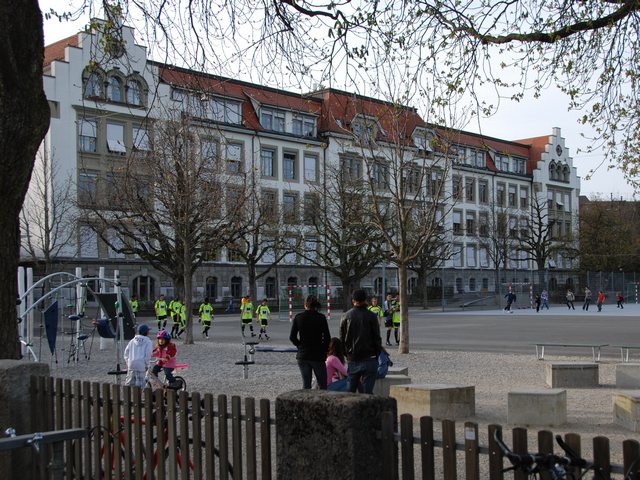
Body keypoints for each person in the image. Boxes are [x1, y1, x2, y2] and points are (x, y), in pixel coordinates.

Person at [340, 289, 382, 394]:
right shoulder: (372, 316)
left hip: (353, 357)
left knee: (350, 392)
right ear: (365, 300)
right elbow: (377, 338)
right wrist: (376, 354)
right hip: (370, 357)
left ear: (353, 300)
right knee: (367, 393)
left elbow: (342, 339)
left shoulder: (346, 316)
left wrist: (347, 354)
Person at [289, 294, 331, 389]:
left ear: (305, 304)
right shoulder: (321, 317)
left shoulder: (298, 317)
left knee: (306, 385)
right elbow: (327, 338)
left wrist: (300, 346)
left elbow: (292, 337)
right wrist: (324, 350)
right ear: (316, 305)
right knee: (322, 384)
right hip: (317, 355)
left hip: (303, 354)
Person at [123, 324, 153, 388]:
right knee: (141, 385)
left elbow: (126, 353)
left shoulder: (132, 341)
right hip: (141, 365)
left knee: (129, 384)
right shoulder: (148, 341)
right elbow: (148, 354)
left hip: (131, 364)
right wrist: (146, 364)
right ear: (146, 332)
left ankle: (127, 394)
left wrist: (128, 362)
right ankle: (140, 394)